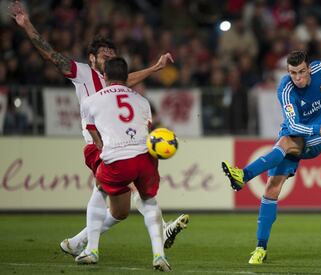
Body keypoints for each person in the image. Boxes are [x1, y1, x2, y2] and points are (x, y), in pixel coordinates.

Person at [9, 1, 189, 256]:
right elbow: (50, 54)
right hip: (97, 142)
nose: (108, 57)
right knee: (116, 189)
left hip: (118, 140)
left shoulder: (114, 80)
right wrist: (26, 24)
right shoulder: (82, 72)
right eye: (104, 53)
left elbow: (128, 79)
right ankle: (104, 245)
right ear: (92, 58)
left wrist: (157, 67)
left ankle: (76, 243)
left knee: (120, 211)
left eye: (111, 55)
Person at [222, 50, 321, 264]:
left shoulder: (320, 69)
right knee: (272, 187)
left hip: (317, 141)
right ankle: (260, 248)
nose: (297, 78)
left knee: (285, 142)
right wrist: (318, 128)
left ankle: (243, 175)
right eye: (293, 73)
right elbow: (292, 126)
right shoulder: (285, 89)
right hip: (307, 132)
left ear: (309, 68)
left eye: (301, 72)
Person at [79, 57, 171, 270]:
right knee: (149, 201)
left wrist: (104, 150)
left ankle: (91, 250)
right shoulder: (142, 100)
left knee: (100, 188)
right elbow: (147, 131)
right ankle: (159, 255)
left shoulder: (91, 100)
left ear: (105, 76)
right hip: (145, 158)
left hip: (118, 159)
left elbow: (93, 134)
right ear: (126, 77)